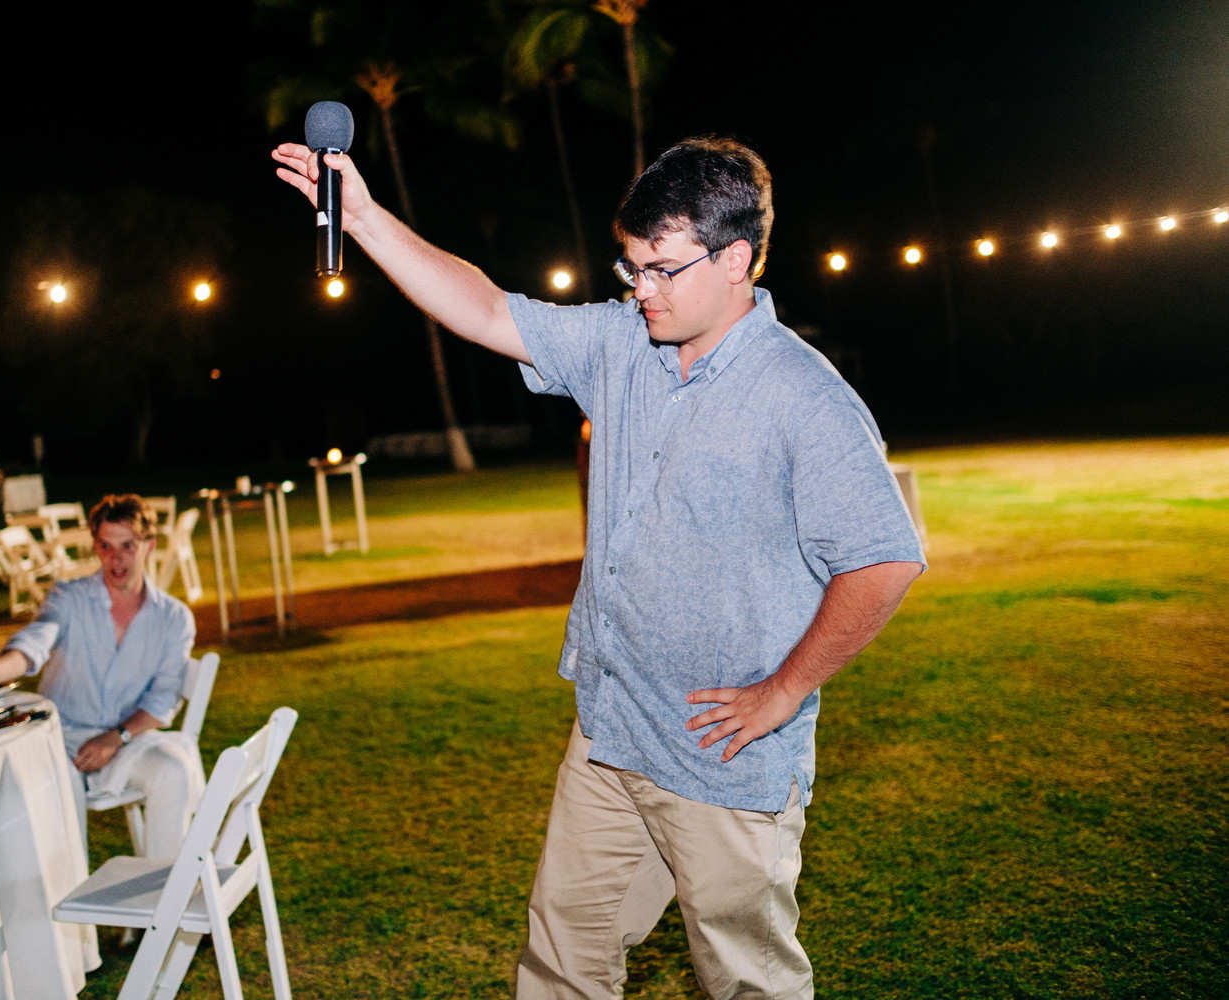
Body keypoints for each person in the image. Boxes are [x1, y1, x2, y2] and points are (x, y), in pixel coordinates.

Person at [273, 135, 927, 998]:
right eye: (631, 268)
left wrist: (782, 692)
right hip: (610, 734)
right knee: (562, 963)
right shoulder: (621, 344)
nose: (642, 289)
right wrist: (362, 218)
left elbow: (885, 558)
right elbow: (487, 309)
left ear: (736, 260)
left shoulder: (802, 396)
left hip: (719, 759)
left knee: (748, 983)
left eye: (661, 269)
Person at [0, 494, 199, 859]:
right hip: (58, 738)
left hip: (127, 739)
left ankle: (168, 887)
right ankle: (66, 892)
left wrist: (116, 737)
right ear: (95, 546)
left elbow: (163, 699)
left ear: (149, 545)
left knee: (174, 772)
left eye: (127, 546)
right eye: (106, 546)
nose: (116, 559)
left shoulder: (174, 618)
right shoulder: (69, 598)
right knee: (56, 786)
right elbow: (33, 644)